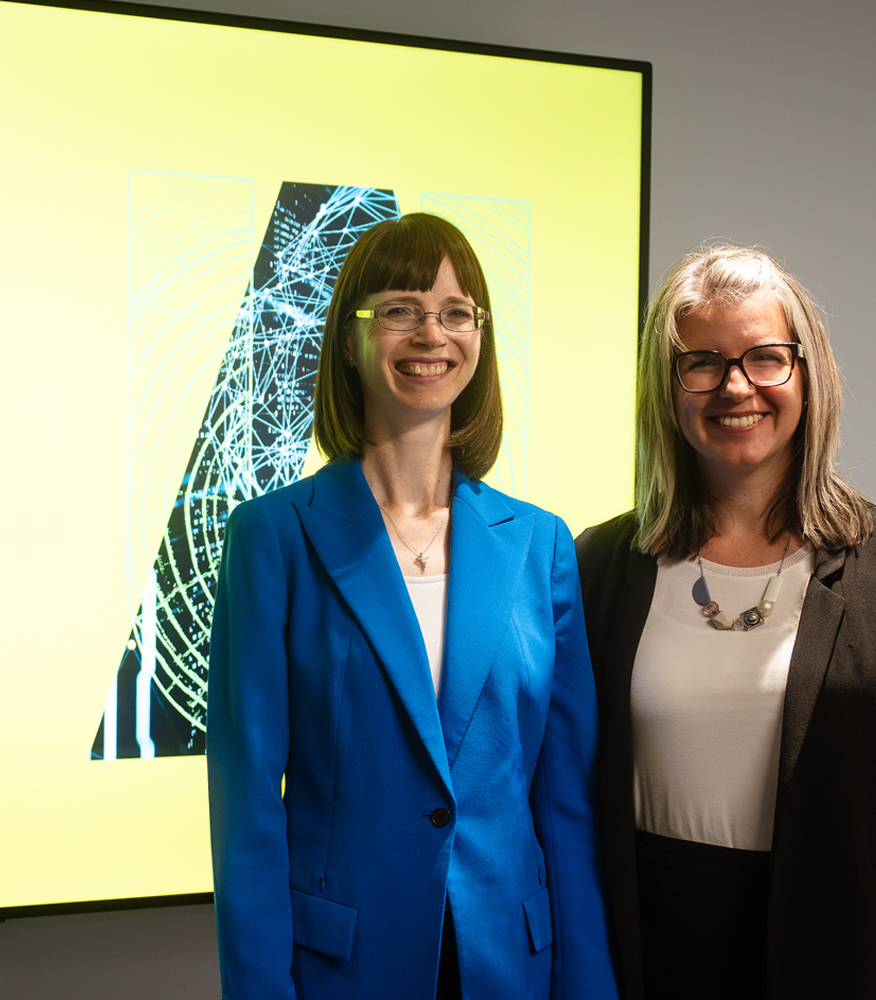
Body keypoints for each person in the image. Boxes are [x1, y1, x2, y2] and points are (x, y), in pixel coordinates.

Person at [207, 212, 617, 999]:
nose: (432, 333)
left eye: (455, 312)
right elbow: (247, 809)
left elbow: (566, 805)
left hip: (513, 964)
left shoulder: (541, 545)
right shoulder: (274, 538)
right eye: (400, 309)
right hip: (343, 967)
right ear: (351, 339)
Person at [575, 244, 876, 1000]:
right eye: (701, 362)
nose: (736, 386)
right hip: (644, 955)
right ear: (667, 389)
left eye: (765, 357)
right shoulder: (601, 564)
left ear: (807, 373)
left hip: (839, 952)